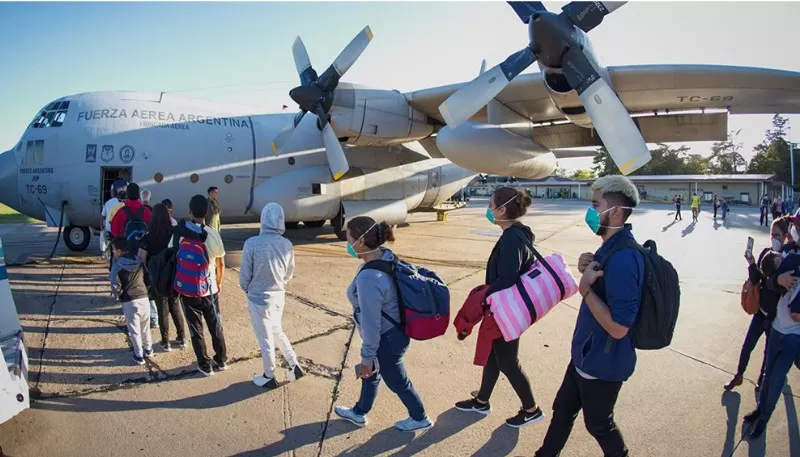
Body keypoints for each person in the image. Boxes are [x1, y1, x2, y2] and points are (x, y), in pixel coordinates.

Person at [534, 175, 644, 457]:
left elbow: (620, 328)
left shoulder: (624, 259)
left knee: (599, 424)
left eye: (596, 205)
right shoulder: (610, 249)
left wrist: (585, 291)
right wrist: (589, 267)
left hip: (603, 365)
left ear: (616, 212)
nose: (590, 212)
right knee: (562, 411)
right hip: (585, 355)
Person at [454, 186, 545, 428]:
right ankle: (482, 401)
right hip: (505, 307)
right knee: (495, 355)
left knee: (507, 361)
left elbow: (507, 277)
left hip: (505, 309)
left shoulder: (512, 238)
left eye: (491, 204)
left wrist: (484, 297)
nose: (488, 209)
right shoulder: (518, 233)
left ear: (502, 209)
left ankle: (531, 409)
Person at [334, 216, 434, 432]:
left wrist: (367, 357)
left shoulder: (369, 278)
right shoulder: (385, 257)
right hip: (395, 331)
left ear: (360, 242)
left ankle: (420, 417)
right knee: (370, 375)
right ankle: (359, 412)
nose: (347, 243)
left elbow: (372, 324)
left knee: (397, 381)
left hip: (386, 339)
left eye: (349, 238)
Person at [239, 203, 305, 388]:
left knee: (265, 338)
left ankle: (269, 375)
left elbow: (245, 274)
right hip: (278, 296)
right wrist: (280, 283)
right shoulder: (287, 244)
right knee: (276, 330)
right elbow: (289, 272)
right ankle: (294, 364)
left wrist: (247, 288)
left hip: (258, 298)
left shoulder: (252, 243)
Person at [743, 235, 800, 439]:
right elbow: (767, 277)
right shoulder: (789, 253)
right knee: (767, 375)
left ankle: (764, 419)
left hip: (794, 337)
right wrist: (777, 279)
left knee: (776, 380)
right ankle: (760, 409)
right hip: (776, 327)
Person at [724, 216, 790, 391]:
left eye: (778, 235)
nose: (774, 239)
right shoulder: (766, 253)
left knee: (768, 352)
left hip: (775, 317)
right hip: (761, 311)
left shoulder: (787, 259)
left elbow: (781, 290)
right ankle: (739, 375)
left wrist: (772, 279)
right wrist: (752, 263)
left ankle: (762, 379)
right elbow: (757, 280)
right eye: (772, 234)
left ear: (785, 235)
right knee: (748, 344)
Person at [169, 195, 227, 376]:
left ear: (190, 211)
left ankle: (204, 364)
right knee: (215, 325)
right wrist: (218, 282)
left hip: (188, 288)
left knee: (196, 328)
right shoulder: (212, 234)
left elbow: (173, 255)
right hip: (209, 288)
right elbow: (221, 263)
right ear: (207, 212)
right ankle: (221, 359)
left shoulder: (180, 233)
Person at [138, 203, 187, 352]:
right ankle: (182, 337)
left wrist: (149, 271)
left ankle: (165, 342)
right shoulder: (174, 232)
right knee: (176, 306)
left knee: (162, 309)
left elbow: (142, 257)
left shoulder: (148, 235)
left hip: (157, 277)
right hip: (173, 274)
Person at [109, 237, 153, 365]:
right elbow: (147, 277)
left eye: (113, 250)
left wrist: (120, 296)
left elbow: (115, 285)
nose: (113, 252)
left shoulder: (117, 267)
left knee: (134, 331)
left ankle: (139, 356)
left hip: (129, 301)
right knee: (145, 327)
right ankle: (149, 349)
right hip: (144, 298)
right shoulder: (138, 260)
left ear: (118, 251)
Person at [101, 179, 127, 265]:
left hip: (111, 230)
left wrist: (102, 228)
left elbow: (104, 217)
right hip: (121, 231)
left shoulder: (109, 203)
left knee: (114, 250)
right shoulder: (125, 204)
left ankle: (112, 265)